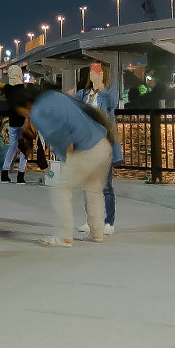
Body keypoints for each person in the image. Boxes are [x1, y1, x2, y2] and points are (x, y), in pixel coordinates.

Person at [9, 84, 112, 246]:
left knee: (61, 189)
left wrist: (69, 159)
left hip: (85, 150)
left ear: (23, 106)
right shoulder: (54, 96)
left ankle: (64, 236)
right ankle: (97, 233)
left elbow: (64, 140)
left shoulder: (38, 112)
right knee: (93, 190)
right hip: (102, 144)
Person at [74, 76, 121, 235]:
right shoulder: (82, 93)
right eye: (93, 70)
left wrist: (100, 86)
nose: (94, 73)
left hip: (104, 144)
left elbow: (111, 104)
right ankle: (91, 220)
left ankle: (109, 222)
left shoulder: (109, 93)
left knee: (106, 186)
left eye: (99, 71)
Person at [1, 73, 30, 184]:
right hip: (23, 122)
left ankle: (4, 174)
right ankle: (20, 176)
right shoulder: (22, 89)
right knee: (24, 149)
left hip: (12, 122)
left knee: (12, 147)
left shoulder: (7, 89)